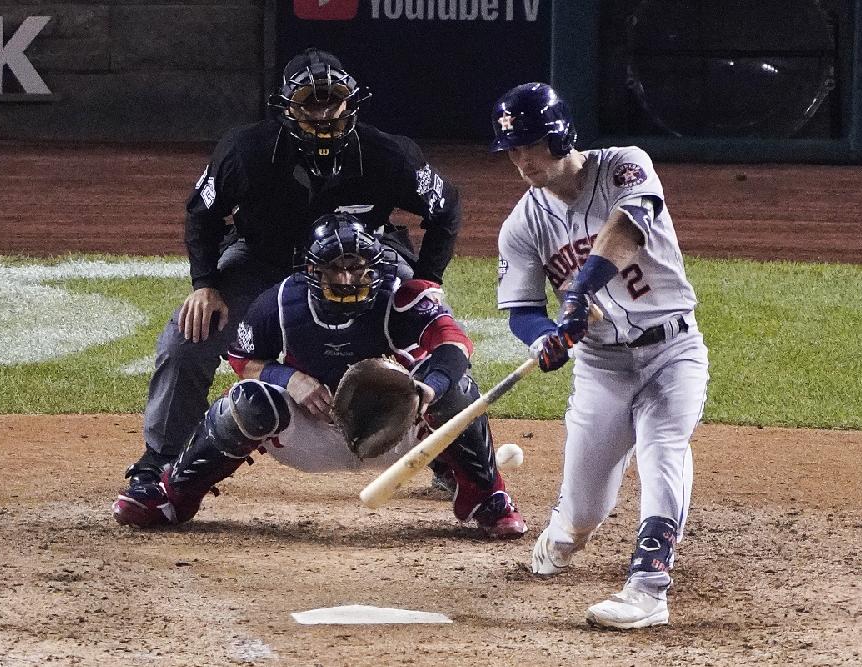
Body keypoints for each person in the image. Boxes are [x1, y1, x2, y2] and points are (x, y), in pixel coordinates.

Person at [122, 47, 462, 502]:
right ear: (288, 106)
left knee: (431, 330)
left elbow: (446, 208)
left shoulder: (387, 154)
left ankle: (451, 456)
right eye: (310, 102)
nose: (323, 113)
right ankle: (161, 464)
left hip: (363, 262)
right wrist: (204, 284)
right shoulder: (245, 151)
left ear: (351, 102)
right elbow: (201, 215)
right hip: (263, 259)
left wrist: (428, 279)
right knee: (188, 341)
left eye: (332, 101)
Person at [113, 214, 527, 539]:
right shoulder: (279, 301)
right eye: (335, 268)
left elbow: (456, 347)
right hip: (311, 435)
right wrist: (288, 377)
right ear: (313, 270)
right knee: (247, 402)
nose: (347, 279)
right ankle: (175, 494)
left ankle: (487, 496)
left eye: (357, 267)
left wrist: (426, 388)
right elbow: (242, 359)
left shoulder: (402, 295)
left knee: (459, 390)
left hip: (395, 429)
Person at [489, 82, 709, 628]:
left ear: (560, 136)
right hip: (602, 367)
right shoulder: (523, 225)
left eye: (530, 145)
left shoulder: (624, 167)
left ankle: (648, 587)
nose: (521, 160)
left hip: (672, 349)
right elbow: (520, 309)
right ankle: (563, 532)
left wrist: (579, 290)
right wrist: (544, 337)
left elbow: (628, 230)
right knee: (584, 511)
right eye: (512, 150)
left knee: (664, 448)